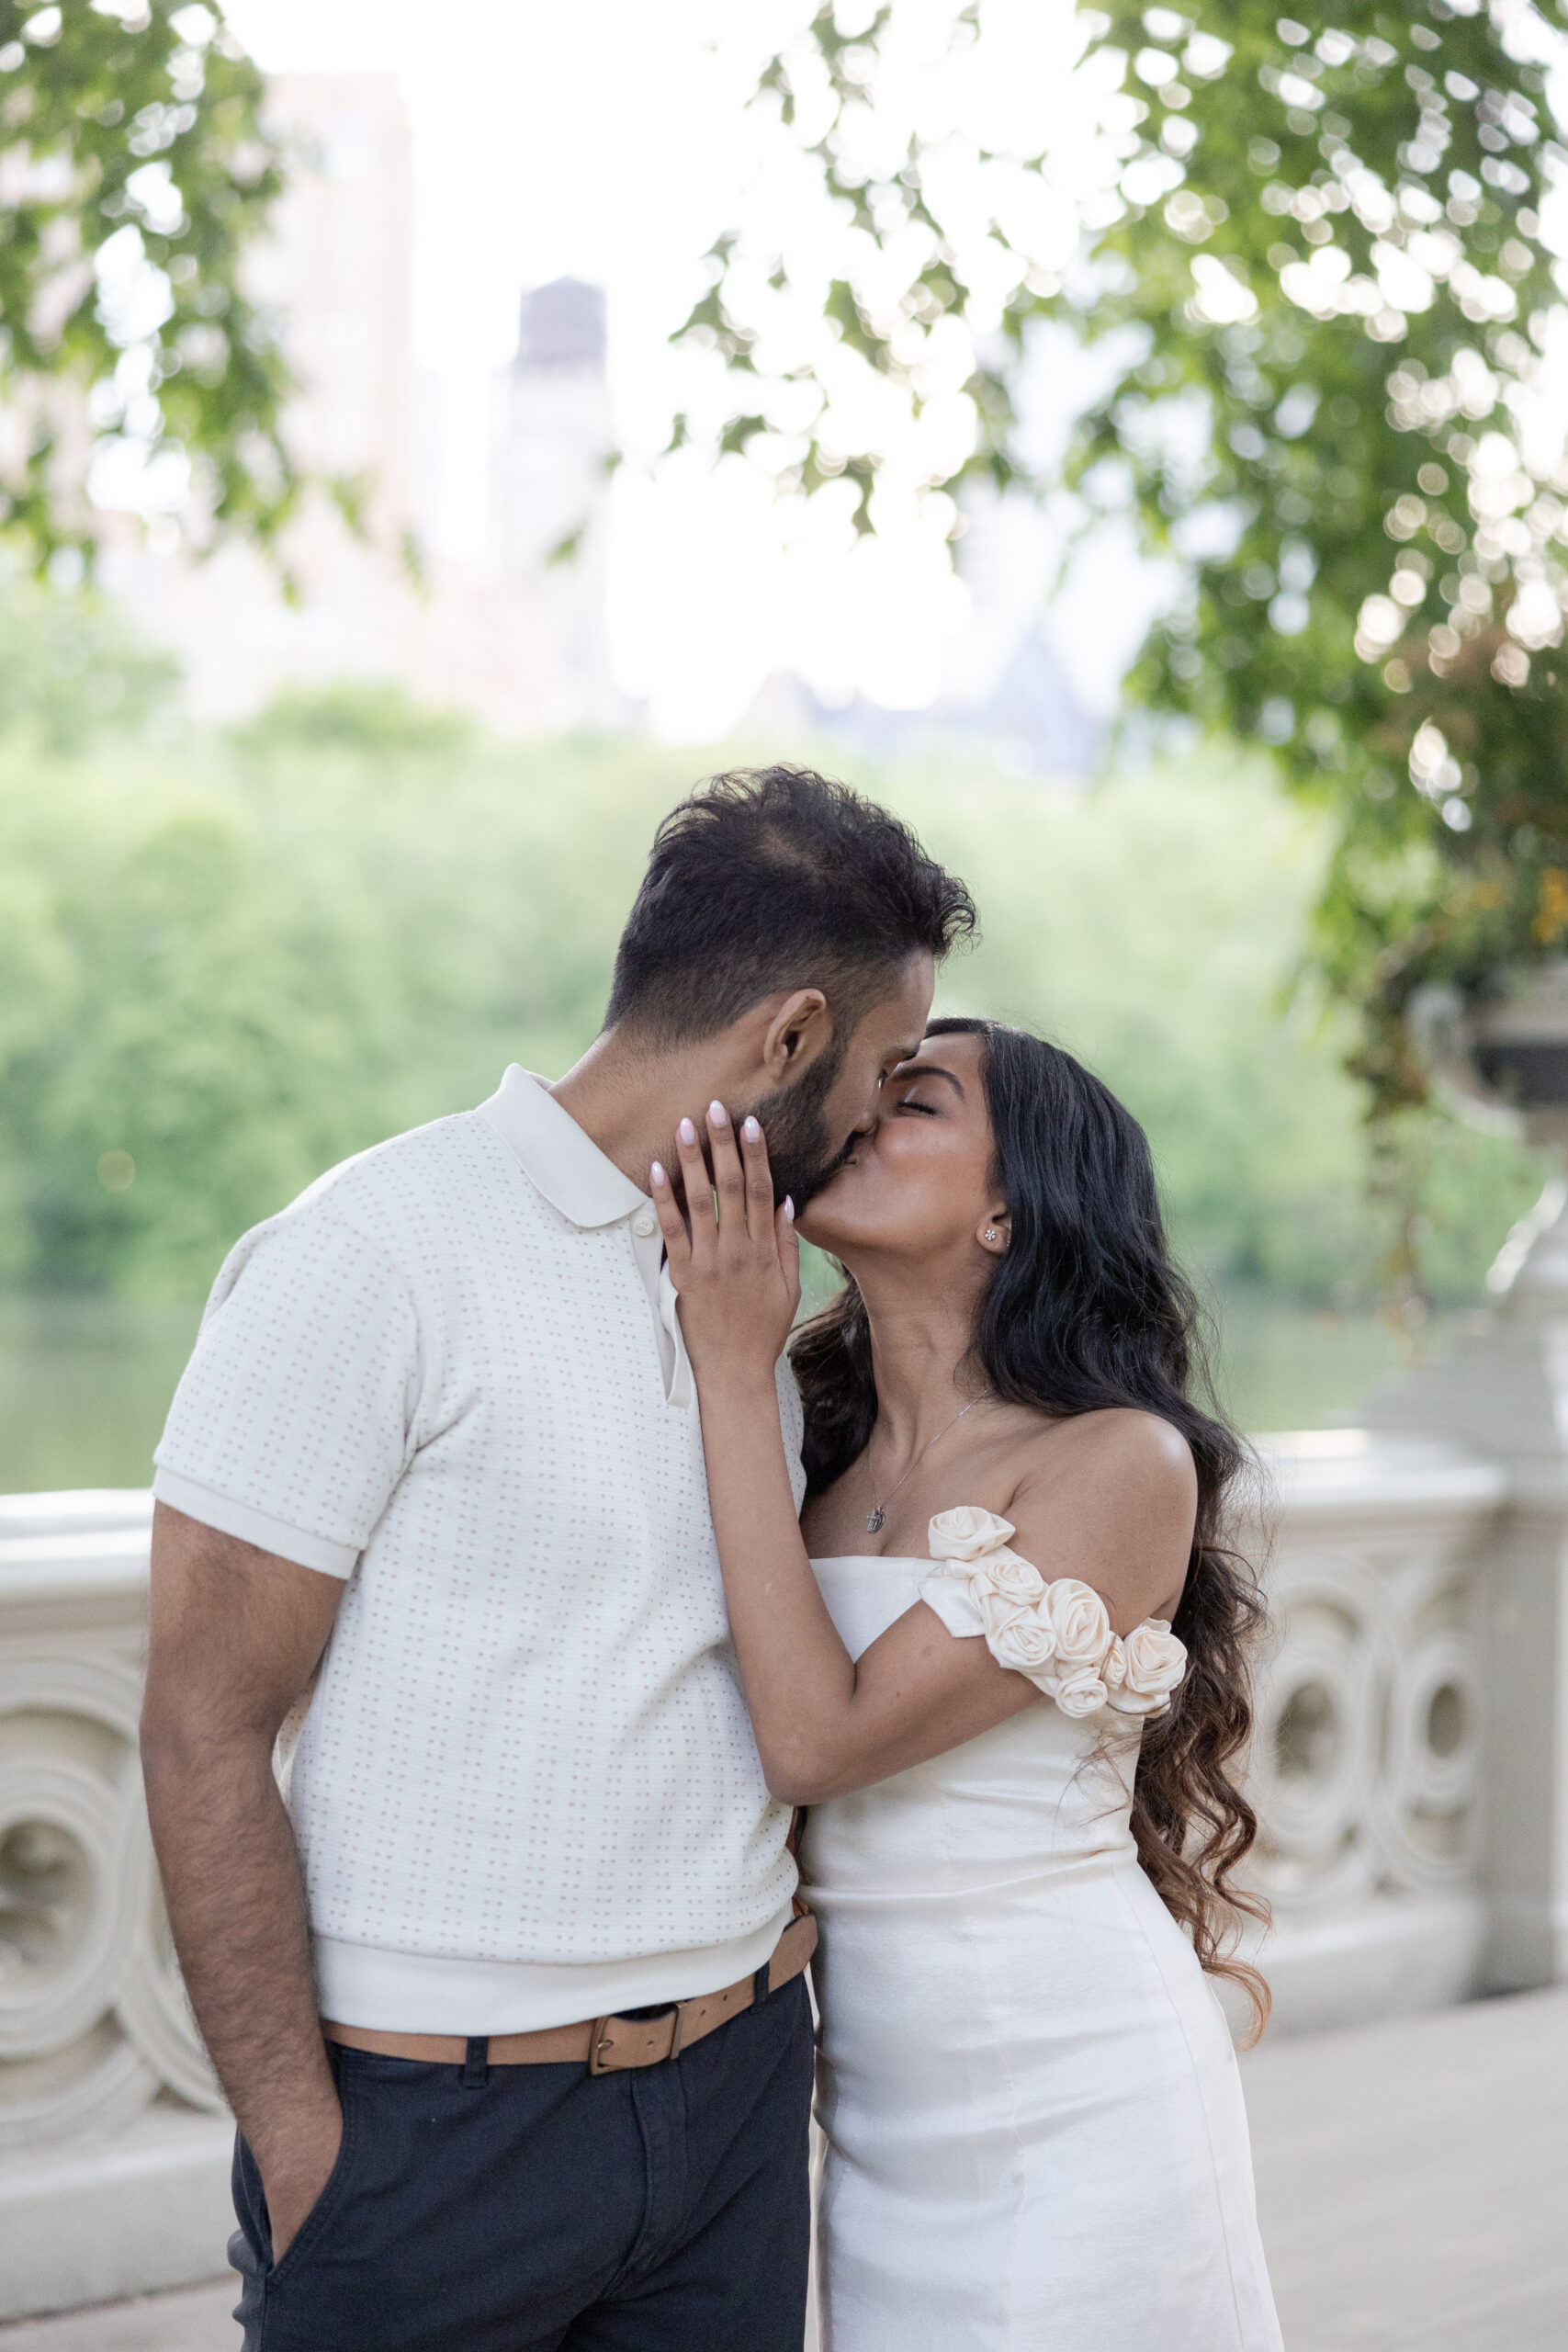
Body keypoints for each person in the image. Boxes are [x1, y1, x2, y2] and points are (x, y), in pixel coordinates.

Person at [139, 765, 975, 2352]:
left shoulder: (760, 1295)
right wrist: (309, 2158)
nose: (874, 1114)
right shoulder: (369, 1254)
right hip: (435, 2137)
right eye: (879, 1068)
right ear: (787, 1037)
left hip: (732, 2110)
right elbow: (201, 1730)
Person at [656, 1015, 1284, 2352]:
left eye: (917, 1102)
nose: (859, 1117)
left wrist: (723, 1365)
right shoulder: (806, 1452)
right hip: (873, 2122)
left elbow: (816, 1746)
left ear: (1010, 1208)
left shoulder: (1118, 1463)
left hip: (1080, 2097)